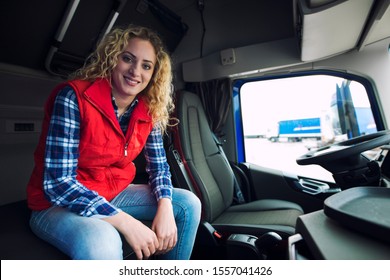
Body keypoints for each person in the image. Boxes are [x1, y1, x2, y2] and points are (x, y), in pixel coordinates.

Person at [26, 25, 201, 260]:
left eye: (146, 66)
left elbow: (159, 166)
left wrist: (165, 204)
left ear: (153, 75)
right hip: (54, 204)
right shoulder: (73, 97)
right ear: (112, 59)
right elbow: (59, 183)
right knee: (103, 240)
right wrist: (125, 222)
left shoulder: (148, 110)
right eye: (128, 59)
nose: (135, 71)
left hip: (111, 193)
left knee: (188, 204)